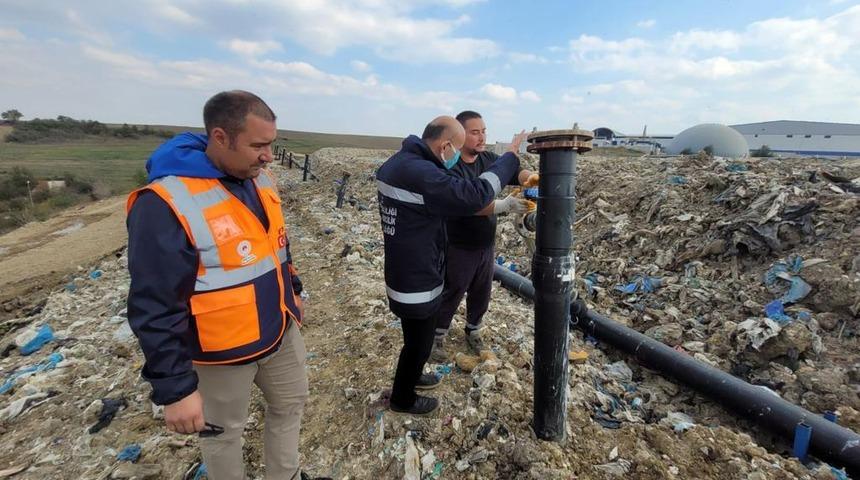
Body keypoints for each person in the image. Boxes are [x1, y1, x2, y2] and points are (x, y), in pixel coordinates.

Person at [126, 91, 309, 480]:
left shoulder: (260, 178)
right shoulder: (165, 202)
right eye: (257, 146)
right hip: (221, 354)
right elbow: (155, 303)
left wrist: (293, 288)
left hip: (280, 328)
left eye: (272, 144)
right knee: (222, 434)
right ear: (221, 137)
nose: (268, 156)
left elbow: (276, 244)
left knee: (291, 406)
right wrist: (176, 389)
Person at [377, 115, 530, 415]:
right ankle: (403, 398)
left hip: (404, 268)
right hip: (417, 274)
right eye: (456, 150)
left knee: (414, 338)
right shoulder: (422, 174)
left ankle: (413, 375)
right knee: (420, 342)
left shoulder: (399, 163)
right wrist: (511, 156)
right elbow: (474, 196)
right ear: (445, 146)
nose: (457, 156)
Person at [431, 111, 538, 362]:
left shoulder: (489, 159)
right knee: (452, 291)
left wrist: (530, 178)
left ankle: (473, 330)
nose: (482, 137)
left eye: (484, 131)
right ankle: (436, 336)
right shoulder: (451, 166)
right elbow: (467, 204)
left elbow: (514, 171)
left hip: (485, 244)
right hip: (458, 244)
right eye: (475, 132)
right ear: (460, 135)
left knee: (482, 292)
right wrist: (504, 206)